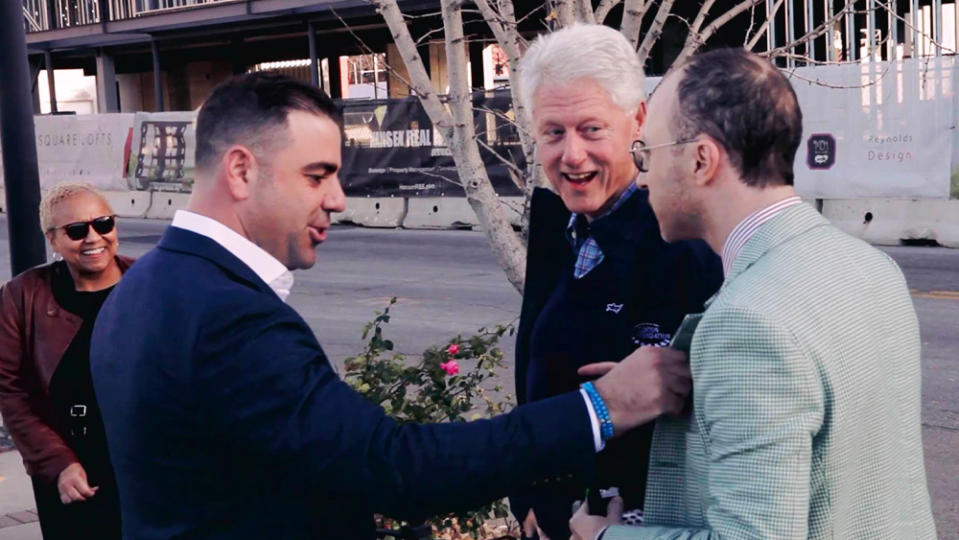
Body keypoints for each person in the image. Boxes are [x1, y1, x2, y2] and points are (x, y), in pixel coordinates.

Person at [89, 72, 694, 540]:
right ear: (242, 171)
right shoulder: (227, 319)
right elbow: (396, 467)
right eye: (317, 175)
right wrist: (605, 406)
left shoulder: (140, 290)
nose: (338, 198)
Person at [569, 47, 937, 540]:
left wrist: (601, 537)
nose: (642, 176)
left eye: (646, 153)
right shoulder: (872, 266)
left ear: (701, 160)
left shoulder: (749, 321)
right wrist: (703, 386)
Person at [511, 24, 722, 539]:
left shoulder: (689, 243)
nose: (572, 155)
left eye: (591, 129)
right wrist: (533, 496)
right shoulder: (558, 230)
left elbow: (747, 400)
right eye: (553, 132)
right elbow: (540, 379)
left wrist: (693, 380)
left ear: (639, 120)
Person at [0, 182, 132, 539]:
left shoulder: (149, 285)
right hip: (68, 470)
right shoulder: (22, 295)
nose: (93, 238)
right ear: (52, 239)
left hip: (142, 466)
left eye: (103, 223)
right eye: (76, 230)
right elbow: (11, 391)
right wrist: (57, 464)